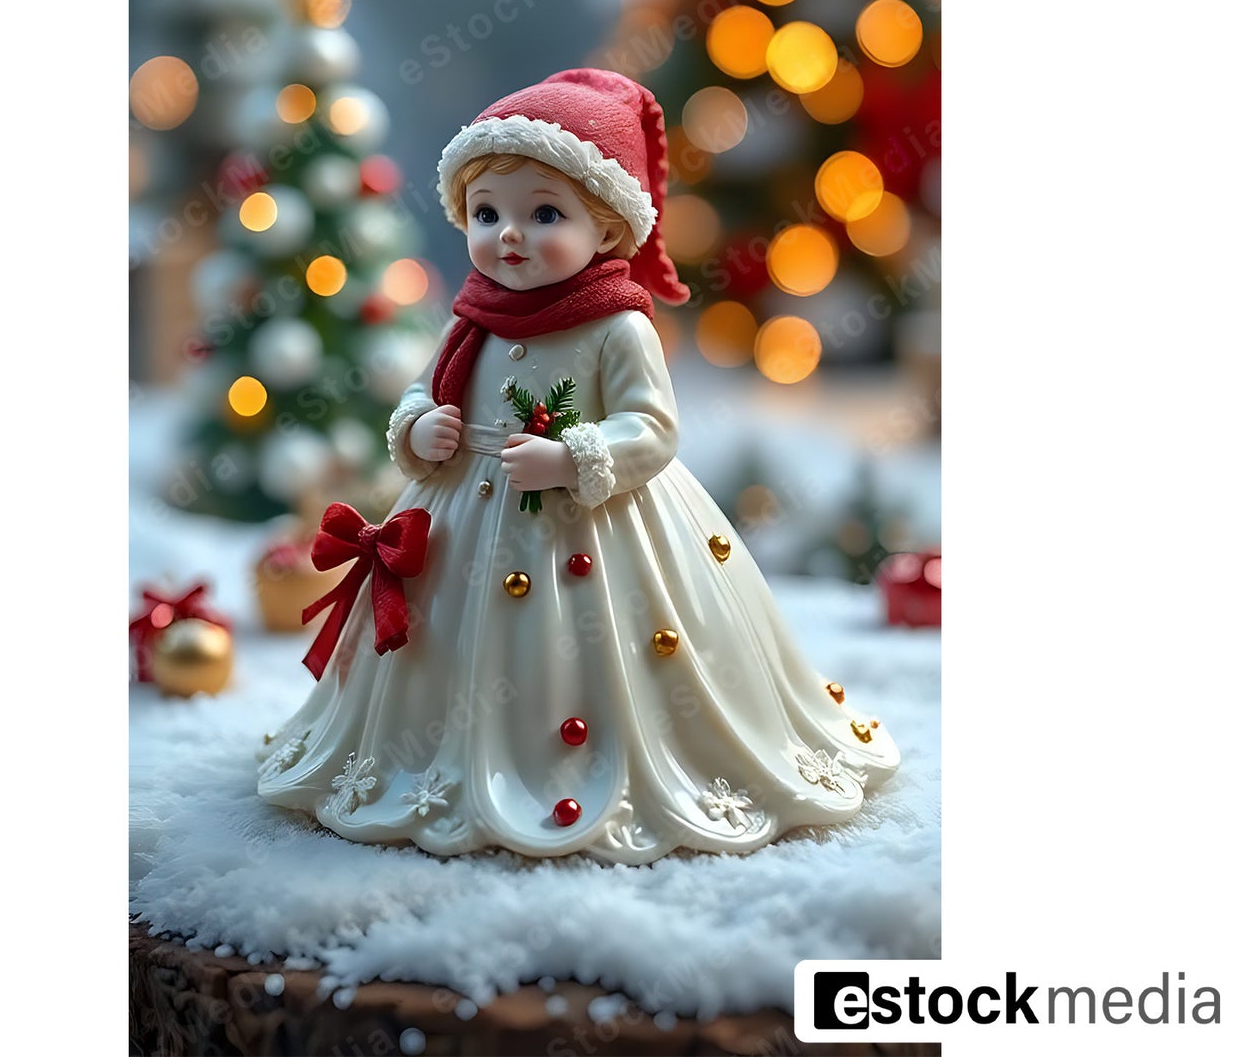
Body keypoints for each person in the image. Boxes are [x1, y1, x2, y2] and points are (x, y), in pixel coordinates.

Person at [256, 68, 898, 863]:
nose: (508, 236)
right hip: (460, 515)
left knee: (583, 656)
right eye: (486, 212)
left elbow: (653, 427)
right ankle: (445, 760)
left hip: (601, 525)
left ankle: (583, 764)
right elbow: (422, 390)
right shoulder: (471, 320)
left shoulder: (615, 326)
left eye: (544, 213)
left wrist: (574, 453)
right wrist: (418, 426)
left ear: (605, 228)